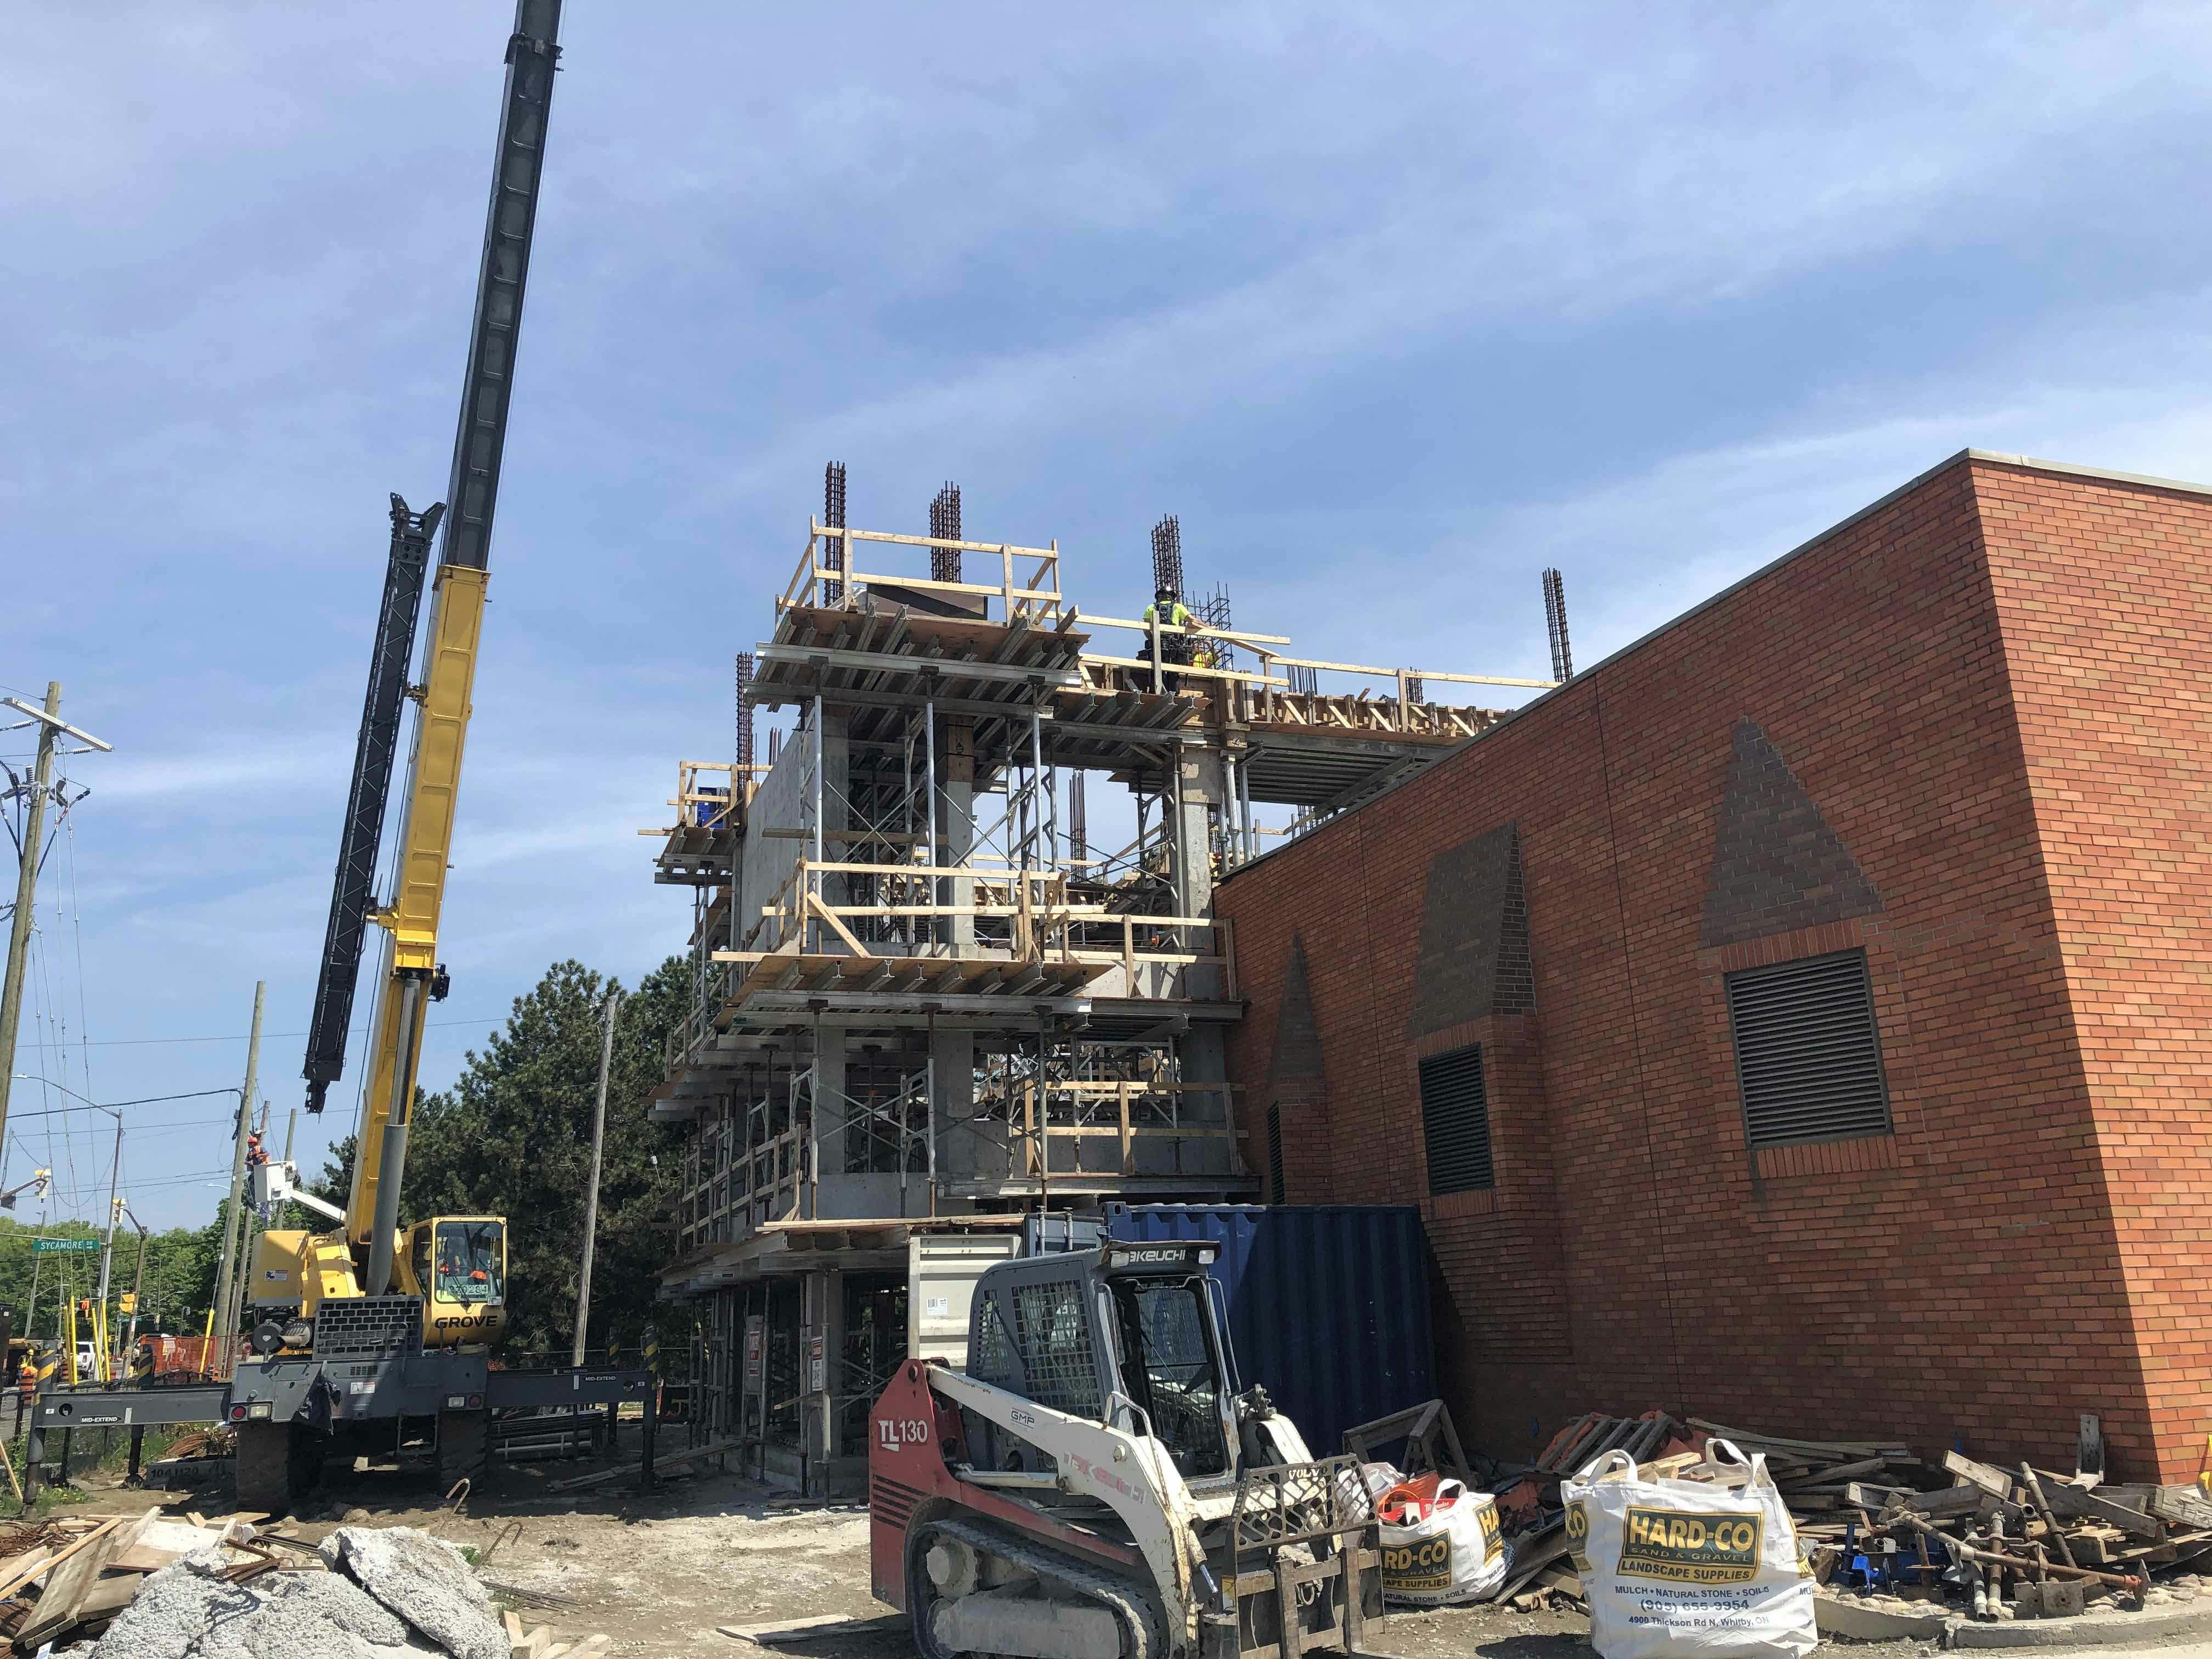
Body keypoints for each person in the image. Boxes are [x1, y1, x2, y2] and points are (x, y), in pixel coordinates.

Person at [1141, 585, 1201, 676]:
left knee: (1156, 671)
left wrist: (1152, 640)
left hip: (1157, 643)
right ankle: (1173, 690)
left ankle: (1155, 688)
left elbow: (1146, 629)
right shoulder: (1177, 606)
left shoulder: (1151, 607)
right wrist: (1208, 628)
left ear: (1159, 597)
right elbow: (1193, 621)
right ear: (1172, 597)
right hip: (1174, 644)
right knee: (1173, 671)